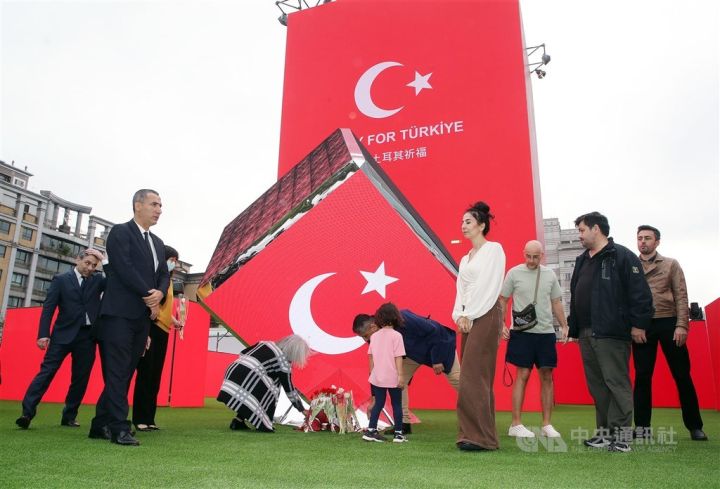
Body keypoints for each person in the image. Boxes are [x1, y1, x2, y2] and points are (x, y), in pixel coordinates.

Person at [89, 189, 170, 446]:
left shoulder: (157, 242)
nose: (159, 210)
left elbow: (164, 274)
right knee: (117, 372)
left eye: (160, 205)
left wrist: (158, 293)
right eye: (154, 204)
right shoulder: (120, 232)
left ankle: (99, 424)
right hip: (117, 315)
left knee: (124, 373)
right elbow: (123, 268)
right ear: (138, 205)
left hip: (142, 319)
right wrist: (149, 295)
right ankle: (119, 428)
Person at [568, 212, 654, 453]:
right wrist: (574, 328)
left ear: (597, 229)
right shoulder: (582, 259)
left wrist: (639, 325)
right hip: (585, 332)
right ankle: (605, 433)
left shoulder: (622, 256)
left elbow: (641, 294)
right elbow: (576, 294)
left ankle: (622, 436)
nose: (580, 235)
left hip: (612, 332)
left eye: (582, 230)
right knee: (597, 385)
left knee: (616, 383)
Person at [15, 249, 107, 429]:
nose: (90, 268)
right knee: (46, 372)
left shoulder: (98, 281)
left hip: (87, 336)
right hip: (62, 335)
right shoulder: (61, 280)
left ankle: (69, 416)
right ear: (78, 259)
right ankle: (27, 413)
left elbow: (114, 279)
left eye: (94, 265)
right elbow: (48, 308)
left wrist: (104, 259)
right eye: (87, 263)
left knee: (81, 378)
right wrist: (43, 333)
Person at [633, 225, 707, 441]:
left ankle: (695, 426)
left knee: (682, 375)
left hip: (670, 324)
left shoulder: (671, 264)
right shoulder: (631, 266)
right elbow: (626, 298)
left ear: (657, 242)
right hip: (642, 327)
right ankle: (642, 428)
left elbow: (681, 294)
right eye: (640, 238)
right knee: (643, 377)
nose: (643, 242)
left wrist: (682, 325)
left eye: (648, 238)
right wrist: (632, 326)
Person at [499, 240, 569, 439]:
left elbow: (556, 301)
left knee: (547, 376)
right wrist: (501, 325)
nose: (531, 260)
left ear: (542, 256)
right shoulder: (514, 273)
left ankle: (547, 424)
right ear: (524, 253)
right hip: (521, 332)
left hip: (546, 333)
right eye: (528, 256)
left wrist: (564, 325)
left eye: (535, 257)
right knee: (523, 374)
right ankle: (515, 424)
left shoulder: (549, 275)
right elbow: (503, 299)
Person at [352, 308, 460, 435]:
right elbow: (375, 368)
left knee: (459, 382)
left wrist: (437, 358)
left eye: (365, 336)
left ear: (373, 326)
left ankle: (483, 417)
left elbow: (434, 330)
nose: (365, 340)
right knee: (397, 380)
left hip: (440, 347)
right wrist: (375, 399)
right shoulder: (374, 337)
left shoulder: (402, 318)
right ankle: (403, 424)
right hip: (412, 354)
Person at [452, 201, 506, 451]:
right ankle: (475, 434)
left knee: (475, 375)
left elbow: (488, 285)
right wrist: (459, 315)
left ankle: (481, 438)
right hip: (469, 317)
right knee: (473, 376)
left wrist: (470, 313)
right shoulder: (465, 258)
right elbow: (461, 289)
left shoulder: (493, 249)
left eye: (469, 222)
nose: (463, 226)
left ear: (482, 225)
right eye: (462, 222)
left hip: (486, 313)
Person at [132, 245, 183, 432]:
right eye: (171, 259)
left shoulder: (168, 282)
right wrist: (145, 332)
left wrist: (175, 321)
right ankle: (139, 418)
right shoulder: (152, 278)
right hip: (150, 328)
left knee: (155, 376)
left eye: (175, 261)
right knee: (145, 374)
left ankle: (149, 418)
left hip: (163, 331)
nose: (173, 264)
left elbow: (165, 309)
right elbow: (150, 306)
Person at [217, 334, 310, 432]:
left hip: (233, 369)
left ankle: (238, 420)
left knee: (259, 386)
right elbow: (289, 389)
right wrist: (301, 409)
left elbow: (243, 352)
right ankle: (261, 423)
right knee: (272, 388)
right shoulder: (284, 364)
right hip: (249, 376)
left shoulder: (265, 343)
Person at [361, 303, 407, 443]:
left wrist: (372, 374)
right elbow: (398, 357)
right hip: (392, 376)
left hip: (377, 376)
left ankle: (371, 430)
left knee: (379, 403)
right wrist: (400, 375)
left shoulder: (374, 336)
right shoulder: (397, 336)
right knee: (397, 404)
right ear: (396, 317)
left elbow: (371, 357)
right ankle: (398, 433)